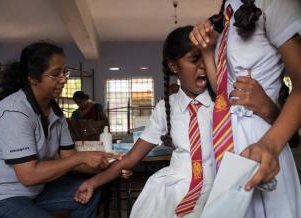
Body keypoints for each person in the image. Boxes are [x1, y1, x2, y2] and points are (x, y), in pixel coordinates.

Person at [73, 26, 278, 218]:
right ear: (174, 67)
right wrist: (93, 182)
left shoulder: (224, 102)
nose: (202, 66)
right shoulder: (165, 108)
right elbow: (131, 158)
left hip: (218, 184)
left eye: (205, 59)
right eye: (193, 60)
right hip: (175, 186)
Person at [0, 42, 120, 218]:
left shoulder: (55, 113)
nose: (64, 79)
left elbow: (69, 159)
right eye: (55, 74)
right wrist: (82, 157)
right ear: (33, 78)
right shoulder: (13, 111)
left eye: (64, 72)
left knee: (91, 189)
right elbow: (29, 176)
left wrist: (104, 164)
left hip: (32, 192)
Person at [190, 0, 301, 217]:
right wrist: (207, 50)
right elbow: (225, 93)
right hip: (225, 139)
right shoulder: (228, 13)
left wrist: (270, 144)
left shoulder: (273, 3)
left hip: (261, 140)